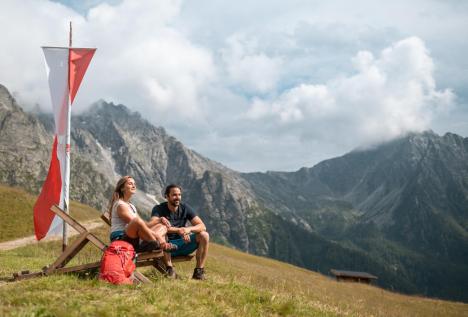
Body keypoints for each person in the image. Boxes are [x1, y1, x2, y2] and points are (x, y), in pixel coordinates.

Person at [150, 184, 209, 280]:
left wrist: (188, 229)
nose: (177, 198)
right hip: (165, 247)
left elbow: (202, 226)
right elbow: (153, 226)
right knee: (163, 235)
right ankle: (169, 269)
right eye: (174, 195)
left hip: (183, 243)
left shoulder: (185, 208)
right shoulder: (158, 209)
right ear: (166, 196)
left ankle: (199, 272)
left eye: (179, 195)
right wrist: (179, 230)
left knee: (204, 235)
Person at [108, 176, 176, 252]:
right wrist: (158, 236)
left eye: (134, 184)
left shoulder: (131, 206)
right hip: (120, 239)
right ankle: (159, 243)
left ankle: (152, 244)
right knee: (136, 221)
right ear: (122, 188)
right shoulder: (120, 205)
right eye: (130, 184)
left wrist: (159, 220)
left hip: (134, 239)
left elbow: (143, 225)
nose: (134, 186)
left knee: (163, 226)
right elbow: (136, 223)